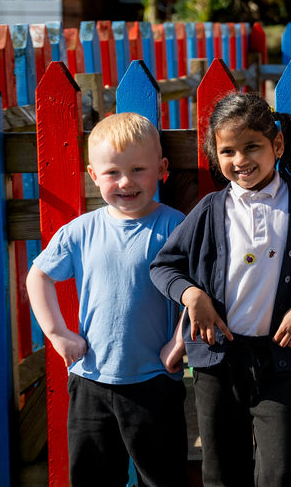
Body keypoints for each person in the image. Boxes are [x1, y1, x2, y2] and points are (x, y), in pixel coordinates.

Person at [150, 91, 291, 486]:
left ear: (277, 145)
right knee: (222, 469)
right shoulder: (209, 210)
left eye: (252, 146)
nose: (240, 160)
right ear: (215, 156)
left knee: (280, 471)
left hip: (282, 360)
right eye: (228, 151)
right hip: (218, 360)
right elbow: (164, 266)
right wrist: (193, 296)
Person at [26, 112, 187, 487]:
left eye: (138, 170)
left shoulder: (175, 226)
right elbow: (38, 276)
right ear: (93, 175)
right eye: (113, 172)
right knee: (93, 477)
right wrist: (58, 334)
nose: (126, 182)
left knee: (163, 478)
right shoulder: (81, 231)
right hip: (91, 380)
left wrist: (178, 343)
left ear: (162, 169)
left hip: (154, 379)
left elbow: (200, 291)